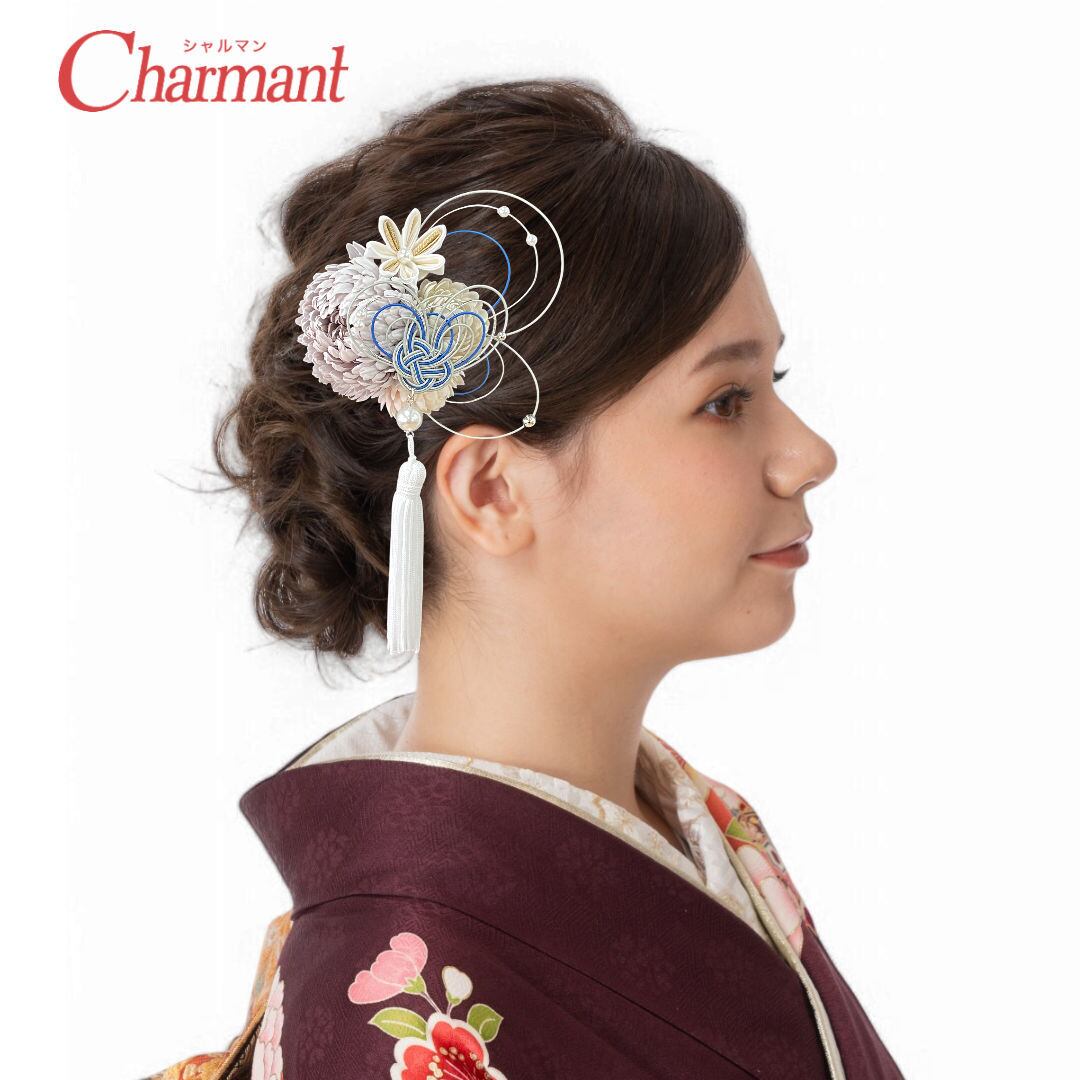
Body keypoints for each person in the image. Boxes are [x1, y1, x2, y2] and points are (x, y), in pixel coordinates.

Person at [147, 77, 904, 1079]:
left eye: (776, 383)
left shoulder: (696, 824)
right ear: (493, 489)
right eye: (725, 401)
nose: (808, 455)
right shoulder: (396, 996)